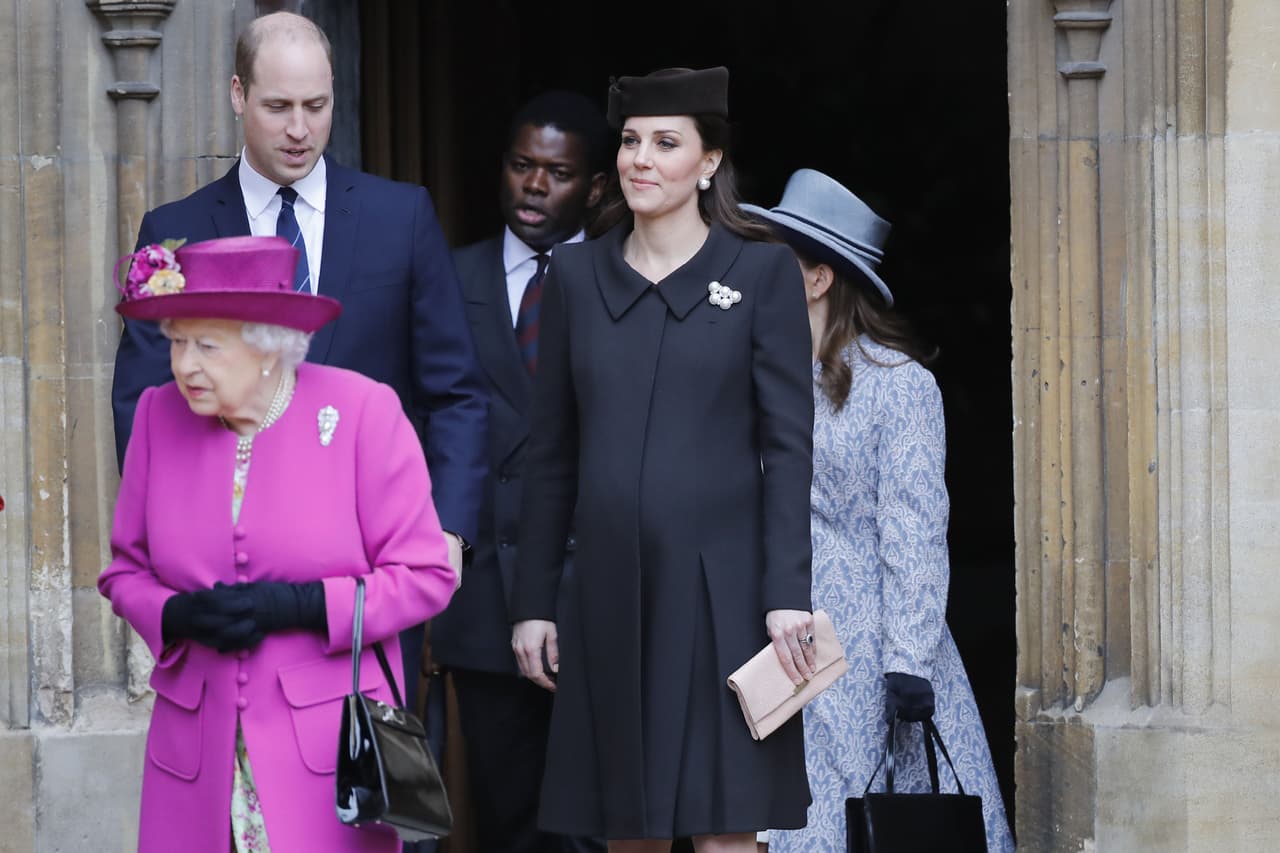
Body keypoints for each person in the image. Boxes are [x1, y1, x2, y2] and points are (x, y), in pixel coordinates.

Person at [106, 10, 488, 737]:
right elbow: (142, 404)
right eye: (279, 106)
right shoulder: (176, 231)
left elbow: (456, 391)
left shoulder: (400, 216)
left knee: (370, 792)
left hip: (366, 576)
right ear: (236, 94)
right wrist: (180, 550)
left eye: (317, 106)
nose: (300, 129)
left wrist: (445, 533)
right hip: (226, 571)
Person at [509, 67, 817, 852]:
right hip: (609, 590)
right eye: (632, 141)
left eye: (666, 143)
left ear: (709, 162)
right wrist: (535, 601)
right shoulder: (575, 277)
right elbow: (551, 454)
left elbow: (787, 448)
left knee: (725, 828)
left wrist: (786, 593)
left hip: (730, 595)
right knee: (628, 827)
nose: (641, 159)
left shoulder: (761, 272)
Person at [98, 234, 458, 851]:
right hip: (197, 749)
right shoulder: (159, 416)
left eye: (207, 346)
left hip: (323, 748)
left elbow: (427, 575)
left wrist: (304, 606)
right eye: (178, 342)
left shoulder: (361, 411)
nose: (185, 365)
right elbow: (125, 571)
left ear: (268, 347)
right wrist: (175, 613)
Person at [740, 168, 1015, 852]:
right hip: (769, 643)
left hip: (867, 654)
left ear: (818, 277)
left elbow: (914, 528)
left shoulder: (899, 385)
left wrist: (909, 661)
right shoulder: (750, 378)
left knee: (864, 827)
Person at [430, 89, 611, 853]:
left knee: (604, 826)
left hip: (599, 595)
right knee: (509, 824)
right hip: (484, 599)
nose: (534, 186)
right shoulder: (446, 275)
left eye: (558, 172)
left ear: (595, 186)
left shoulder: (622, 282)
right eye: (520, 166)